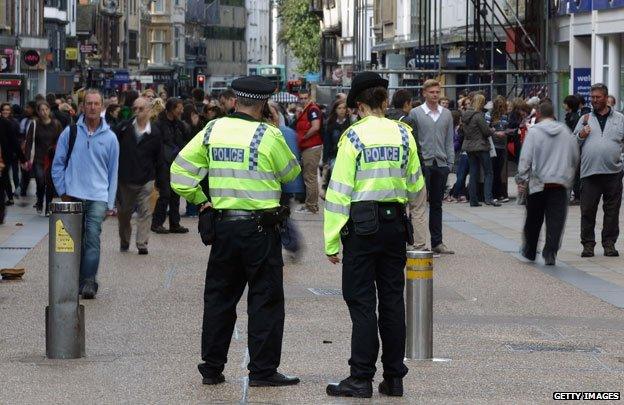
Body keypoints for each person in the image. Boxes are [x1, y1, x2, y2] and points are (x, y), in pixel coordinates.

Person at [170, 75, 301, 387]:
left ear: (235, 101)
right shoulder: (269, 135)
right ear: (264, 104)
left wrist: (203, 202)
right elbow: (291, 173)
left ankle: (212, 368)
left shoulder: (213, 129)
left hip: (225, 227)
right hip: (260, 230)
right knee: (265, 300)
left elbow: (180, 173)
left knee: (219, 299)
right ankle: (262, 371)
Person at [324, 72, 424, 398]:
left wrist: (331, 239)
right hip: (395, 226)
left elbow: (338, 192)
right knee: (393, 301)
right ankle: (394, 378)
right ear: (384, 101)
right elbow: (416, 186)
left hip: (362, 228)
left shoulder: (352, 138)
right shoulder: (404, 134)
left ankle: (361, 377)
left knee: (362, 302)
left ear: (359, 105)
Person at [52, 89, 119, 299]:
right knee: (74, 241)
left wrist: (110, 202)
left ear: (101, 107)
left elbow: (113, 172)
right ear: (82, 107)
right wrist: (62, 190)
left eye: (96, 104)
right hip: (73, 195)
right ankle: (77, 279)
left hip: (98, 196)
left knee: (92, 238)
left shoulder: (110, 138)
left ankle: (89, 281)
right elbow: (58, 164)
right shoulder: (70, 132)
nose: (92, 107)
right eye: (88, 103)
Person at [517, 102, 579, 265]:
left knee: (533, 219)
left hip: (538, 183)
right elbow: (574, 155)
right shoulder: (565, 131)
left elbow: (526, 157)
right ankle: (550, 252)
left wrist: (522, 177)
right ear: (553, 114)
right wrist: (569, 175)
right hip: (559, 184)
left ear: (538, 114)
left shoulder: (534, 132)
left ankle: (530, 250)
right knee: (556, 221)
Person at [574, 83, 624, 258]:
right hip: (590, 173)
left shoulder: (619, 118)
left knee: (612, 211)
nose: (594, 100)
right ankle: (588, 245)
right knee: (587, 210)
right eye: (592, 97)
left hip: (613, 173)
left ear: (606, 97)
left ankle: (609, 244)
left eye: (598, 97)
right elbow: (573, 143)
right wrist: (581, 135)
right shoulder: (585, 118)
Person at [408, 79, 455, 254]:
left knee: (437, 204)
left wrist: (450, 163)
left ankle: (437, 242)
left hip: (441, 164)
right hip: (423, 164)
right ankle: (414, 241)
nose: (435, 95)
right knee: (417, 204)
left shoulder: (446, 114)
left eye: (437, 92)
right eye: (432, 92)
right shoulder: (415, 113)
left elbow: (449, 139)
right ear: (424, 93)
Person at [114, 97, 163, 255]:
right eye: (134, 108)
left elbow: (159, 158)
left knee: (145, 212)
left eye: (140, 109)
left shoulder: (155, 132)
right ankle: (125, 240)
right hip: (126, 179)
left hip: (146, 179)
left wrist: (159, 181)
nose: (137, 112)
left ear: (149, 110)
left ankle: (142, 243)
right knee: (124, 214)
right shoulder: (124, 128)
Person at [386, 89, 428, 250]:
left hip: (391, 170)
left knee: (397, 207)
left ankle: (398, 242)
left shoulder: (385, 119)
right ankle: (419, 244)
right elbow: (415, 148)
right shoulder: (408, 120)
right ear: (407, 104)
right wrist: (422, 171)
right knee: (417, 208)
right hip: (409, 169)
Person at [151, 98, 189, 234]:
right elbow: (155, 145)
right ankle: (156, 223)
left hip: (176, 163)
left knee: (175, 194)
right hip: (162, 164)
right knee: (165, 194)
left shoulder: (179, 124)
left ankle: (175, 224)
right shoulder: (159, 124)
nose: (182, 110)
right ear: (172, 109)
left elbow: (185, 139)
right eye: (179, 108)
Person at [461, 94, 499, 208]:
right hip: (481, 146)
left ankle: (473, 200)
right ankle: (488, 198)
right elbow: (486, 132)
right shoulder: (478, 116)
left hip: (469, 146)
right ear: (481, 103)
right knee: (488, 172)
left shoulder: (465, 115)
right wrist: (492, 130)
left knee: (473, 173)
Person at [25, 102, 63, 214]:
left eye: (46, 109)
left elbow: (61, 141)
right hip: (38, 158)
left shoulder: (56, 124)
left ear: (49, 110)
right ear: (38, 111)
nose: (44, 112)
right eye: (41, 110)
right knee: (40, 181)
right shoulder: (35, 124)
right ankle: (40, 200)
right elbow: (29, 141)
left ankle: (48, 207)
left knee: (50, 184)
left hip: (52, 159)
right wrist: (27, 158)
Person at [295, 88, 323, 214]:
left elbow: (315, 127)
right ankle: (310, 205)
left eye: (305, 98)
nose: (303, 100)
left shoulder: (312, 109)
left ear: (310, 97)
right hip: (308, 147)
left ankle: (311, 206)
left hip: (311, 147)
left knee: (310, 177)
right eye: (301, 98)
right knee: (309, 177)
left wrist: (305, 137)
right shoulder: (307, 109)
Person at [320, 100, 350, 200]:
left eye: (344, 108)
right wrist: (325, 160)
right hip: (334, 155)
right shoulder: (331, 124)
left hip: (347, 155)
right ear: (335, 110)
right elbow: (327, 143)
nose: (342, 110)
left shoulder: (350, 123)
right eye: (339, 108)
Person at [486, 96, 511, 203]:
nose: (501, 107)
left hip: (502, 145)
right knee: (493, 170)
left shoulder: (505, 116)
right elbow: (486, 127)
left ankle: (499, 193)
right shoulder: (489, 114)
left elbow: (506, 127)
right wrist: (495, 132)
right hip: (493, 146)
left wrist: (506, 132)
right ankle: (493, 194)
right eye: (499, 105)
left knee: (499, 171)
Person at [0, 103, 25, 205]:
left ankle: (9, 197)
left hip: (7, 154)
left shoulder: (11, 123)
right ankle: (10, 197)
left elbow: (15, 140)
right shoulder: (5, 122)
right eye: (3, 110)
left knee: (6, 176)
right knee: (5, 176)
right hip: (5, 154)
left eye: (7, 110)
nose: (5, 112)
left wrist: (21, 157)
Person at [448, 110, 468, 203]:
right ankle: (456, 194)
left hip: (456, 153)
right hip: (460, 153)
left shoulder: (452, 128)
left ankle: (459, 194)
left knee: (460, 175)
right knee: (461, 175)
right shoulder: (459, 128)